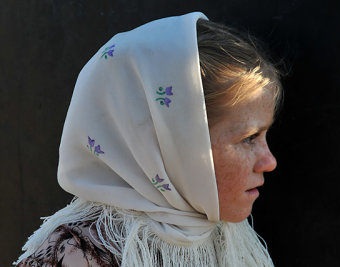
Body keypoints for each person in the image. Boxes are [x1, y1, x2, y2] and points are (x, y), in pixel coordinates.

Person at [14, 12, 282, 267]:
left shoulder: (229, 240)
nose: (269, 162)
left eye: (264, 135)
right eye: (249, 138)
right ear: (171, 145)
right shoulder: (79, 255)